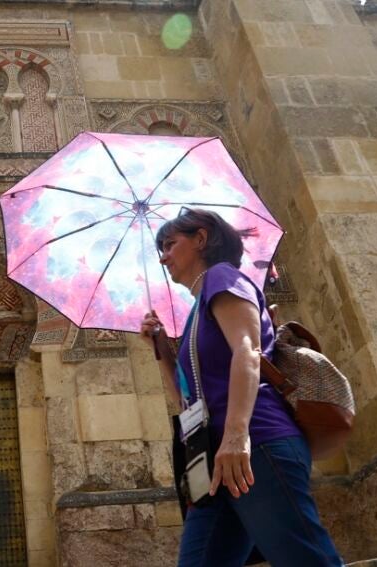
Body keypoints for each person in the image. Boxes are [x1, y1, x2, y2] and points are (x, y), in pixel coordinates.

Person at [140, 208, 343, 567]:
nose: (163, 257)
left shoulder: (222, 277)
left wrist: (236, 436)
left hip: (256, 445)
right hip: (215, 461)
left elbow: (248, 352)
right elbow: (188, 402)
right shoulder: (197, 313)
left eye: (170, 244)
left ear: (201, 238)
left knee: (306, 560)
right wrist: (161, 350)